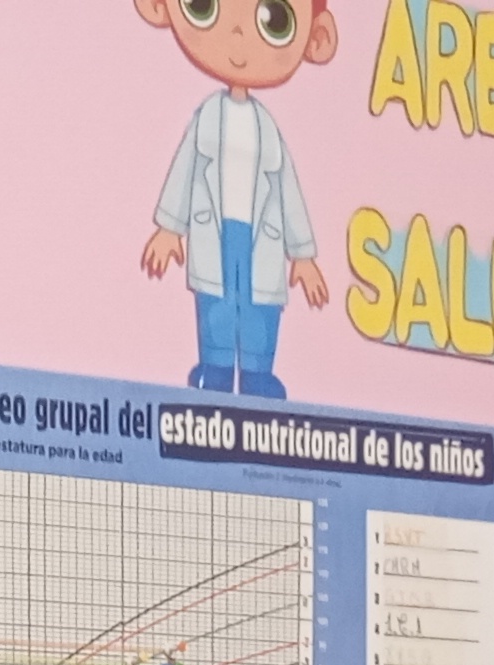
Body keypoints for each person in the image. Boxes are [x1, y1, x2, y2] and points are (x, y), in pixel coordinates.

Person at [136, 0, 342, 399]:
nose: (237, 34)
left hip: (259, 237)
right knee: (215, 303)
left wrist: (302, 255)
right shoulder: (207, 117)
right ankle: (214, 369)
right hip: (215, 230)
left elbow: (286, 189)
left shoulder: (267, 128)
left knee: (258, 311)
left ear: (317, 40)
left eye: (274, 21)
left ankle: (257, 374)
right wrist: (169, 227)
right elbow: (186, 168)